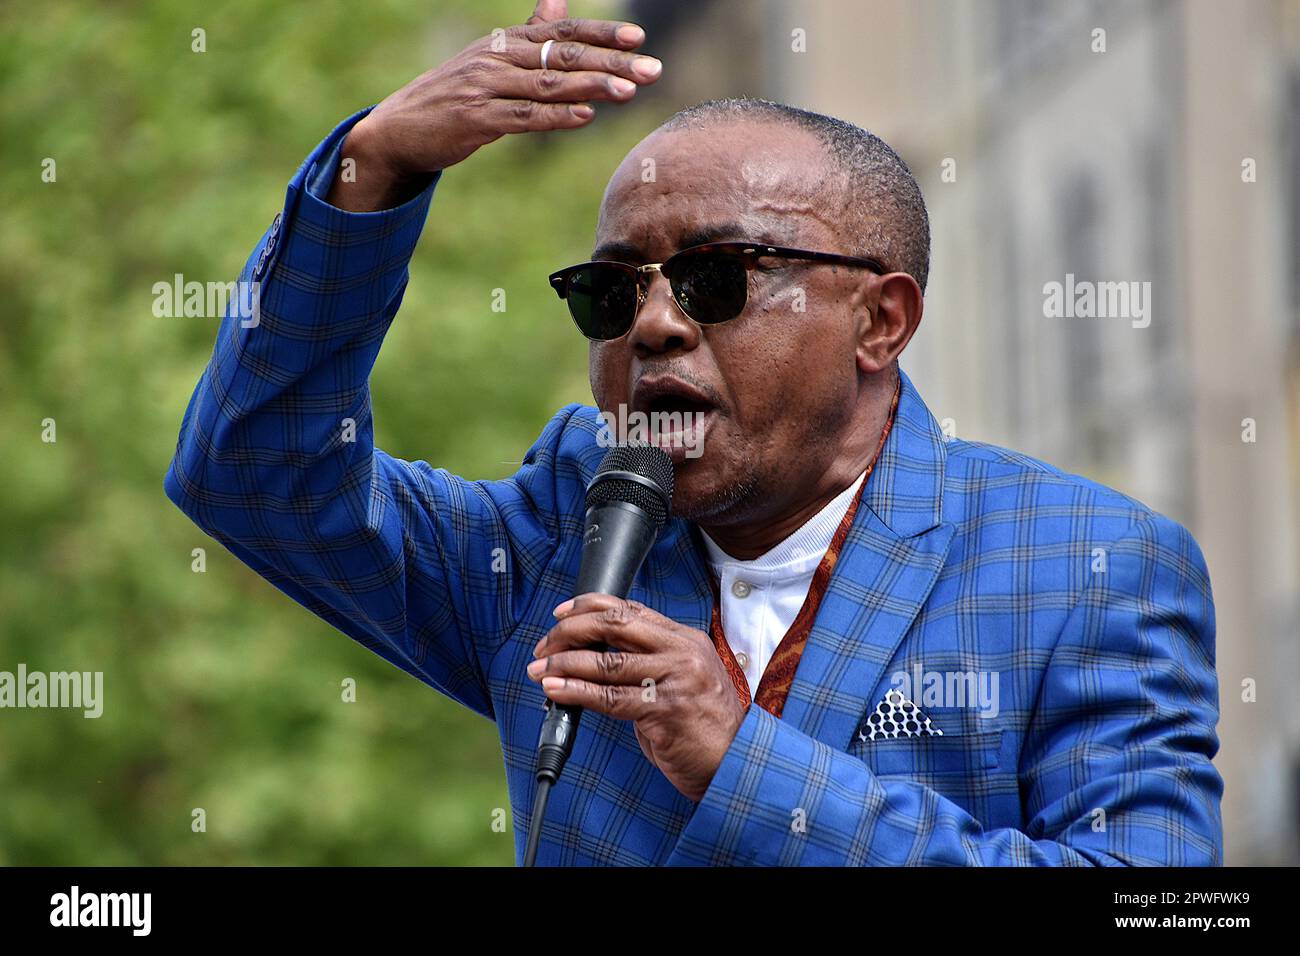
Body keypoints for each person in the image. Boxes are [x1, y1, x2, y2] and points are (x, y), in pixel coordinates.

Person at [164, 0, 1223, 865]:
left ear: (880, 319)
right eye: (610, 291)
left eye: (719, 278)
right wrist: (372, 166)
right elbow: (261, 473)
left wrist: (739, 761)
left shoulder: (1088, 564)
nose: (657, 321)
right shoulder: (557, 537)